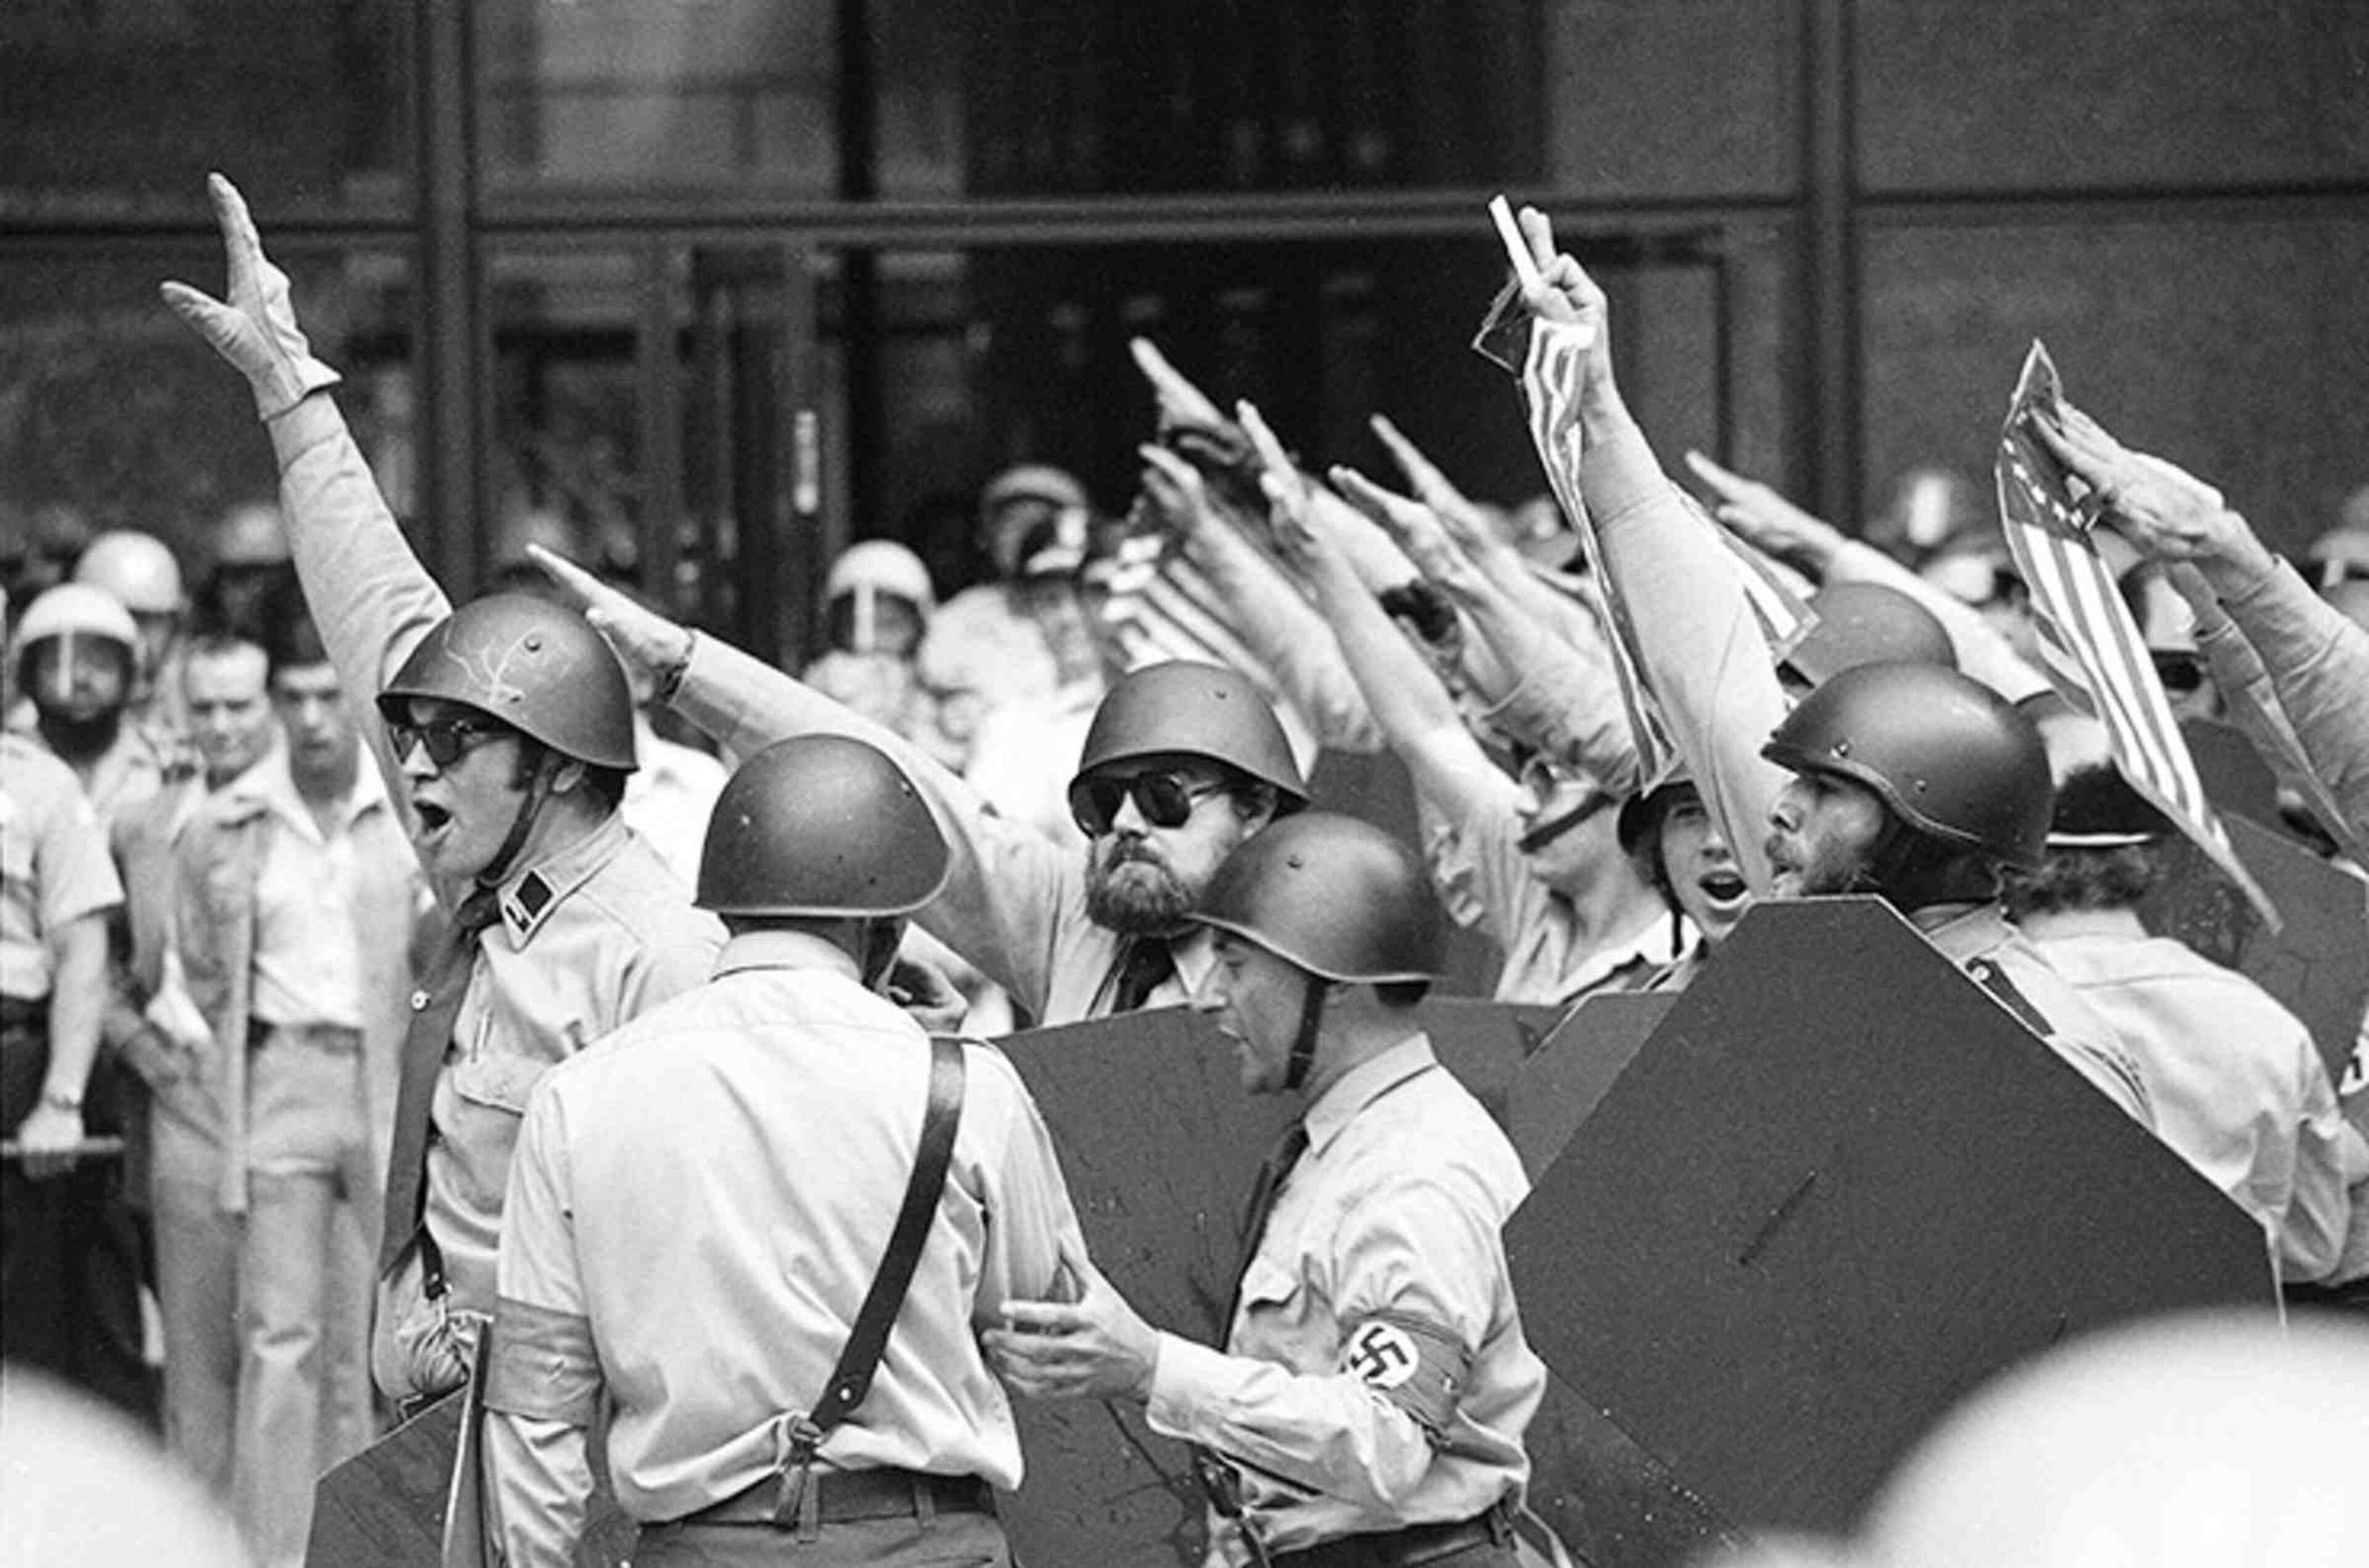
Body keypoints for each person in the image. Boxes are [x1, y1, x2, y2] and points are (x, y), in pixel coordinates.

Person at [162, 172, 725, 1412]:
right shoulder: (492, 882)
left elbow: (702, 1257)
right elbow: (387, 625)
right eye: (413, 738)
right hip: (447, 1439)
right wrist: (291, 397)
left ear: (561, 766)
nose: (413, 764)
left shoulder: (658, 955)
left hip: (578, 1467)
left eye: (456, 744)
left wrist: (523, 1351)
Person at [484, 734, 1086, 1567]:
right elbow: (1042, 1322)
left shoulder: (576, 1100)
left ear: (727, 905)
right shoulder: (968, 1089)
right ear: (888, 924)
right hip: (929, 1543)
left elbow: (537, 1407)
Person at [988, 812, 1552, 1568]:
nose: (1210, 996)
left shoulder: (1419, 1169)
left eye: (1238, 964)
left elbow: (1386, 1442)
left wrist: (1151, 1365)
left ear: (1336, 984)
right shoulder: (1346, 1143)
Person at [531, 545, 1310, 1028]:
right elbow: (898, 780)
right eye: (1104, 804)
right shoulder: (1073, 921)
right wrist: (685, 668)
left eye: (1167, 797)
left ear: (1257, 808)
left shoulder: (1313, 970)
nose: (1130, 824)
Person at [170, 601, 424, 1566]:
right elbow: (197, 957)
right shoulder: (228, 818)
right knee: (280, 1333)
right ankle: (273, 1551)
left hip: (380, 1072)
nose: (315, 717)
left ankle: (364, 1546)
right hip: (280, 1068)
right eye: (296, 695)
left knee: (377, 1334)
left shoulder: (400, 808)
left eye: (330, 694)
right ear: (274, 700)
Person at [2004, 764, 2362, 1284]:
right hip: (2203, 1339)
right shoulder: (2261, 1022)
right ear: (2155, 868)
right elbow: (2313, 1247)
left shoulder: (1953, 1000)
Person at [1760, 661, 2151, 1124]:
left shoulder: (2038, 1053)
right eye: (1796, 781)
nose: (1781, 809)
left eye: (1826, 788)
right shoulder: (1800, 992)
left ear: (1927, 833)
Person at [1, 688, 139, 1416]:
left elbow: (82, 950)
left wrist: (59, 1100)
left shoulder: (39, 784)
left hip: (15, 1064)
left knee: (29, 1340)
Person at [8, 582, 180, 827]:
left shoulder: (166, 763)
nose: (81, 680)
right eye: (59, 665)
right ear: (28, 676)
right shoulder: (10, 767)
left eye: (99, 663)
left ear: (129, 673)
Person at [73, 528, 192, 745]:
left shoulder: (205, 699)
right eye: (116, 617)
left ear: (175, 625)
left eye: (145, 620)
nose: (130, 632)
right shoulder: (52, 707)